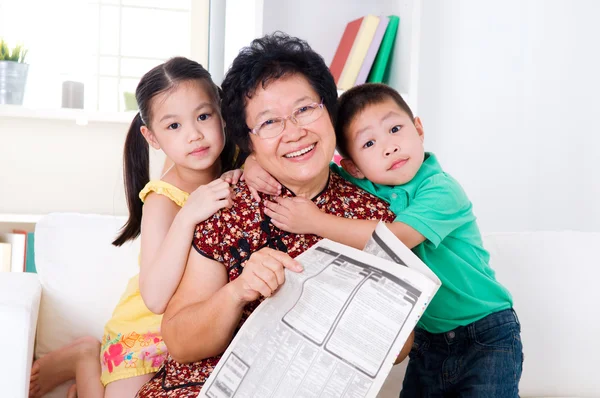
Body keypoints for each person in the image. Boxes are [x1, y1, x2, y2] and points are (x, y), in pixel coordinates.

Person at [134, 32, 415, 397]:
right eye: (269, 122)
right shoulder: (225, 204)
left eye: (304, 109)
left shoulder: (370, 216)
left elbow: (402, 347)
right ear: (248, 141)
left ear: (329, 111)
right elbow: (180, 342)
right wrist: (238, 291)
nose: (295, 132)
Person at [256, 83, 524, 397]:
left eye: (395, 128)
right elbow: (302, 167)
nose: (389, 147)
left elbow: (395, 239)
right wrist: (251, 165)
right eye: (369, 143)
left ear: (419, 129)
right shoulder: (368, 185)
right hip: (428, 338)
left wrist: (315, 222)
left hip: (486, 331)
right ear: (354, 167)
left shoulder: (441, 188)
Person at [28, 56, 250, 398]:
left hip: (198, 331)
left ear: (221, 114)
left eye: (203, 116)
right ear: (152, 137)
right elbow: (155, 296)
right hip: (146, 332)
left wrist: (239, 173)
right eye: (173, 126)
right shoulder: (162, 199)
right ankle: (85, 357)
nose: (194, 134)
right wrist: (190, 213)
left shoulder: (233, 172)